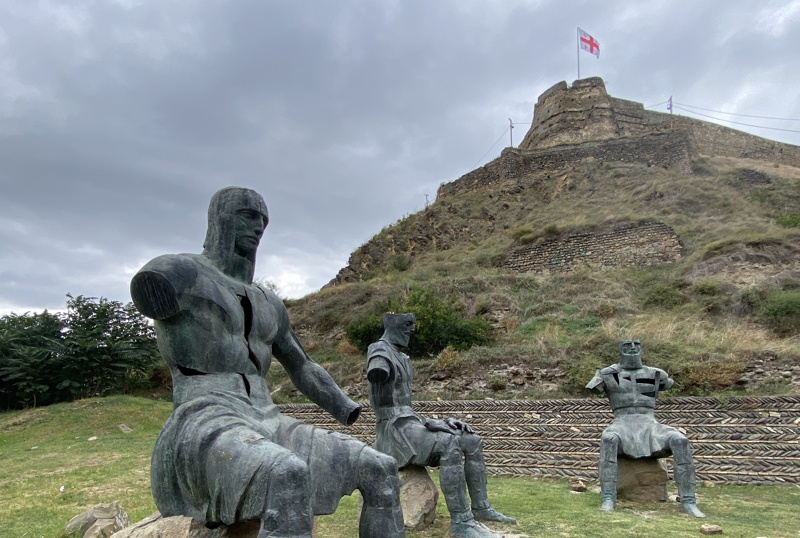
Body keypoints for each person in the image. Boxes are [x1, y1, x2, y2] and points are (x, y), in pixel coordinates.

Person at [130, 187, 405, 538]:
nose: (258, 225)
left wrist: (342, 405)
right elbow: (147, 285)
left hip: (267, 419)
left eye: (263, 219)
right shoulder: (181, 273)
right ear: (220, 219)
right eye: (247, 215)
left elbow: (301, 365)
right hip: (205, 418)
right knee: (285, 474)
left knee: (379, 468)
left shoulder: (268, 302)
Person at [366, 312, 516, 538]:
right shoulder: (380, 351)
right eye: (407, 325)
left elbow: (406, 409)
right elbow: (377, 374)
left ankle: (481, 508)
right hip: (392, 431)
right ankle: (461, 522)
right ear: (393, 325)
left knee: (471, 440)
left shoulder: (402, 357)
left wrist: (437, 422)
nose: (412, 330)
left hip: (409, 422)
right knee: (448, 443)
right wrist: (379, 367)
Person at [586, 339, 705, 518]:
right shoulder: (609, 374)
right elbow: (593, 388)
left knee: (680, 439)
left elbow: (668, 383)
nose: (632, 348)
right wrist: (603, 373)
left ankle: (688, 501)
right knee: (609, 438)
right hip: (622, 423)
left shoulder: (656, 374)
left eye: (636, 345)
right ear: (620, 350)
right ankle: (608, 498)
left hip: (650, 424)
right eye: (627, 346)